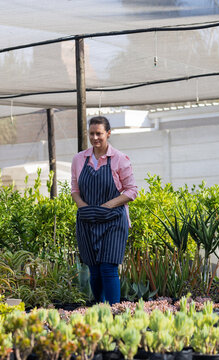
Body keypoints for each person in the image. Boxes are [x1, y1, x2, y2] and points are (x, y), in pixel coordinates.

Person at [71, 116, 137, 304]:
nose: (95, 138)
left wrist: (106, 206)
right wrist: (85, 210)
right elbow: (75, 191)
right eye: (91, 133)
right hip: (87, 220)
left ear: (108, 133)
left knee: (108, 268)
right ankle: (98, 309)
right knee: (94, 269)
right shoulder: (79, 159)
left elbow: (132, 191)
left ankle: (114, 312)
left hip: (113, 220)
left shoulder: (119, 159)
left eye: (99, 133)